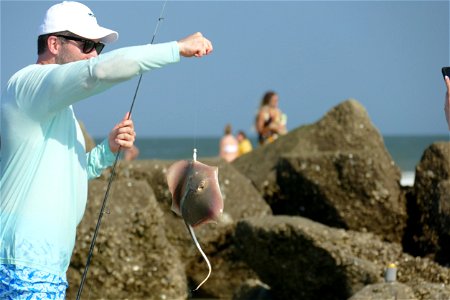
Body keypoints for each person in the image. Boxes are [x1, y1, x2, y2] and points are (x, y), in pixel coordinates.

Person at [0, 1, 213, 298]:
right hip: (22, 266)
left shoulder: (57, 109)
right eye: (87, 45)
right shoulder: (29, 85)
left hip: (47, 268)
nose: (93, 55)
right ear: (53, 43)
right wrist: (176, 49)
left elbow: (71, 173)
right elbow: (97, 73)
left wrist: (107, 150)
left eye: (97, 48)